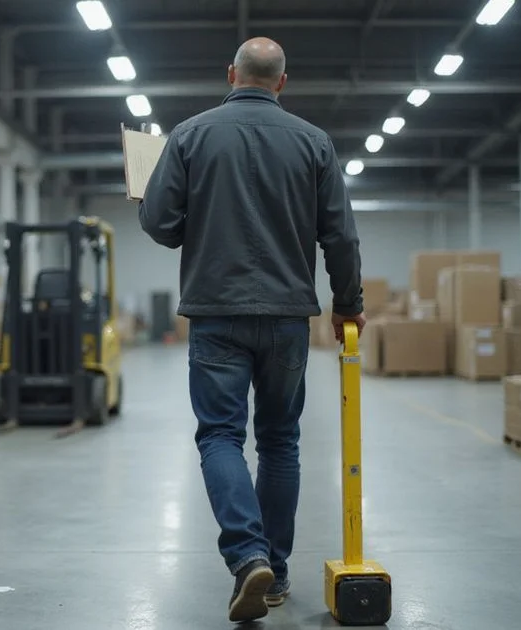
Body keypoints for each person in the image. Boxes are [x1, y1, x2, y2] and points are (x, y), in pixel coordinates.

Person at [138, 37, 365, 623]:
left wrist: (183, 208)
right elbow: (339, 235)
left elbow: (161, 224)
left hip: (216, 314)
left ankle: (247, 556)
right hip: (289, 316)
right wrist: (348, 306)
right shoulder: (314, 142)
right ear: (282, 83)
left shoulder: (189, 135)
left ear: (230, 74)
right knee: (280, 441)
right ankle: (277, 573)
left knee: (219, 436)